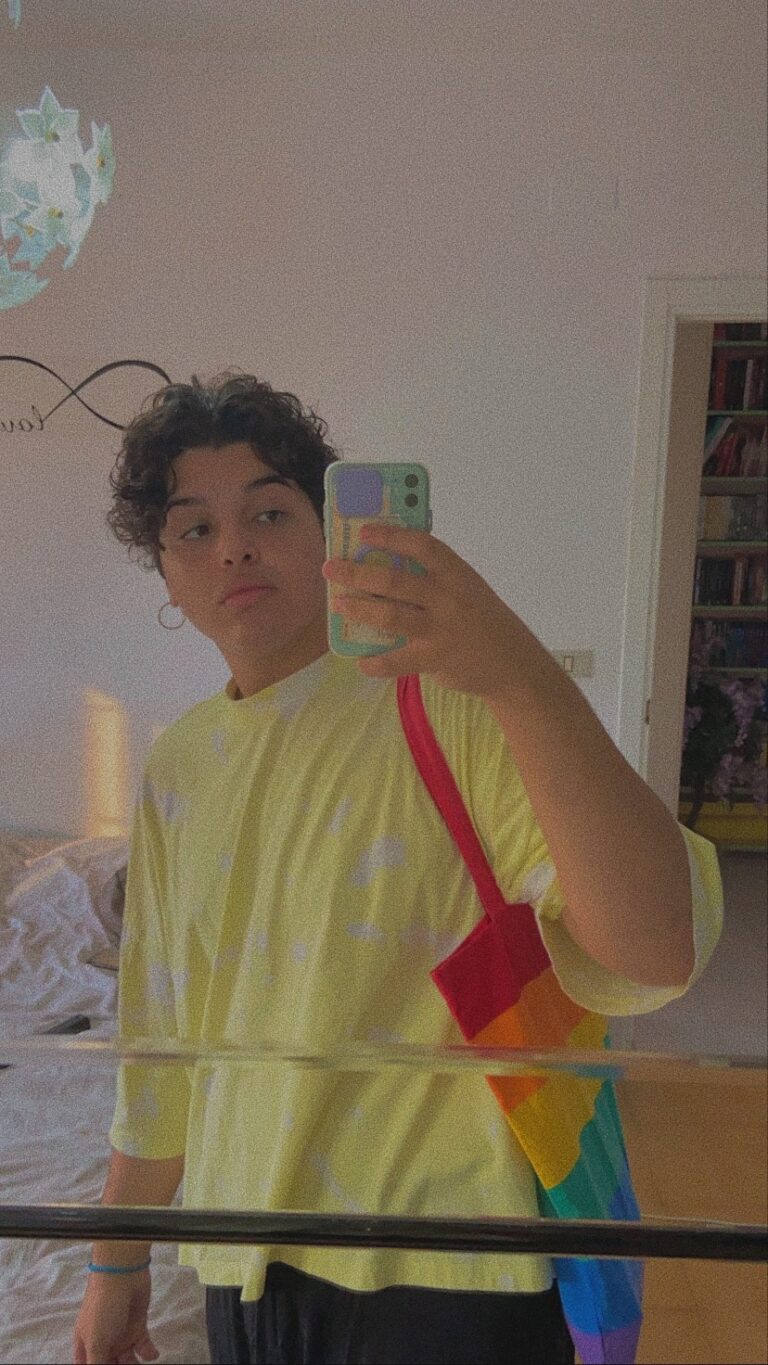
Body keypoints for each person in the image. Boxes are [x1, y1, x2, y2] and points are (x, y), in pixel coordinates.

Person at [72, 372, 723, 1365]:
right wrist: (115, 1262)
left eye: (269, 511)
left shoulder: (450, 701)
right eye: (194, 529)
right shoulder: (180, 765)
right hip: (240, 1257)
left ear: (329, 530)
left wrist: (518, 674)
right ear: (165, 573)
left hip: (448, 1265)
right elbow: (160, 1040)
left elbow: (656, 947)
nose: (233, 546)